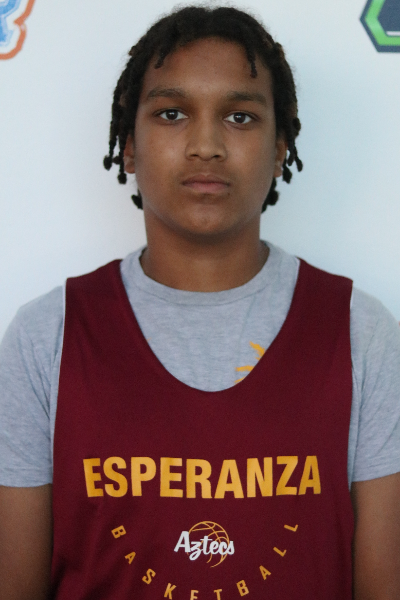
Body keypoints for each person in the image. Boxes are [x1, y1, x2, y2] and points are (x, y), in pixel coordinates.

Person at [1, 5, 400, 599]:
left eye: (240, 116)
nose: (206, 145)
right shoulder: (46, 338)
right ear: (129, 146)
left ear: (280, 147)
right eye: (172, 113)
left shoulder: (359, 332)